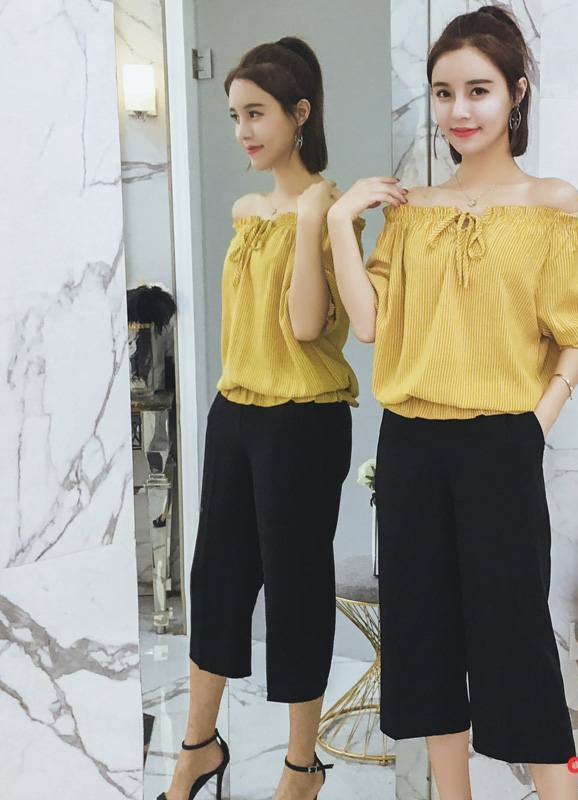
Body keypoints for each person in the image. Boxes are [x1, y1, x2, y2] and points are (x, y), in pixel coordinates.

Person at [326, 7, 578, 800]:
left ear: (516, 93)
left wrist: (536, 422)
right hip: (410, 444)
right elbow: (368, 323)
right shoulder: (410, 210)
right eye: (444, 91)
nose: (459, 109)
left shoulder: (551, 203)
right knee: (422, 638)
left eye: (478, 90)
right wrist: (341, 220)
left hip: (500, 444)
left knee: (515, 638)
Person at [158, 37, 365, 800]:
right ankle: (197, 746)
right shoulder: (248, 211)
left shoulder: (332, 212)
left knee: (295, 588)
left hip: (303, 423)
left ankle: (301, 767)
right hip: (236, 412)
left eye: (256, 113)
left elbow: (307, 326)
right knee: (216, 580)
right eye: (235, 115)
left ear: (299, 114)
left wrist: (311, 221)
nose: (243, 130)